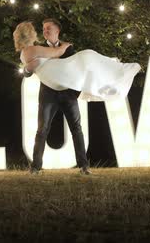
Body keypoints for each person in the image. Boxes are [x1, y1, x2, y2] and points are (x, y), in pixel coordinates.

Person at [14, 19, 142, 175]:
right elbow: (29, 71)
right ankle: (35, 167)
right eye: (43, 29)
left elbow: (78, 69)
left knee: (76, 128)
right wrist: (27, 69)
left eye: (48, 28)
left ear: (57, 31)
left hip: (68, 94)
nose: (45, 31)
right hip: (48, 93)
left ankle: (84, 166)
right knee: (42, 129)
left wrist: (74, 92)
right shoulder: (39, 48)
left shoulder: (69, 48)